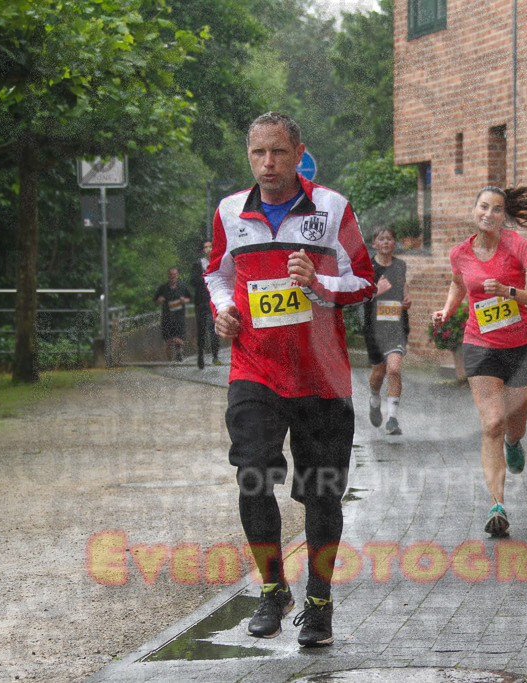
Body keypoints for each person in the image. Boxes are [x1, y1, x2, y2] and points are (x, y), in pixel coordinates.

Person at [205, 112, 376, 647]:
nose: (268, 164)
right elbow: (217, 274)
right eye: (258, 153)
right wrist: (224, 310)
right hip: (255, 369)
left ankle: (319, 603)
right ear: (248, 155)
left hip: (321, 376)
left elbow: (365, 280)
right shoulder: (230, 211)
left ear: (299, 154)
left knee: (322, 493)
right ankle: (273, 589)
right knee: (253, 475)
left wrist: (319, 281)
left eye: (278, 152)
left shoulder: (331, 208)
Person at [431, 185, 527, 538]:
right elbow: (459, 284)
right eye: (483, 207)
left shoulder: (519, 246)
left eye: (497, 209)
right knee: (493, 423)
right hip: (479, 345)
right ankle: (497, 505)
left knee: (514, 427)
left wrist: (509, 292)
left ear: (504, 215)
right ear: (475, 210)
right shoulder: (460, 253)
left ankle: (514, 444)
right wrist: (447, 309)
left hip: (520, 347)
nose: (489, 214)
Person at [363, 226, 412, 435]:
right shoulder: (368, 267)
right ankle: (374, 398)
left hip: (397, 326)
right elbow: (360, 295)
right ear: (374, 243)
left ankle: (392, 418)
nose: (385, 242)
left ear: (394, 243)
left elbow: (403, 286)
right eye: (381, 239)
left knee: (394, 369)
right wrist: (376, 291)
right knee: (379, 372)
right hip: (374, 328)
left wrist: (407, 299)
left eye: (389, 239)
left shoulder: (400, 265)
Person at [190, 239, 220, 369]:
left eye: (210, 246)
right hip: (201, 302)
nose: (208, 249)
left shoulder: (216, 262)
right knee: (201, 329)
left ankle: (215, 355)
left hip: (214, 301)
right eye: (205, 247)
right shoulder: (198, 264)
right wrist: (205, 277)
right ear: (202, 250)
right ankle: (200, 355)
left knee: (214, 328)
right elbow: (193, 281)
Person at [154, 267, 190, 362]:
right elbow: (155, 301)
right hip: (167, 318)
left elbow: (190, 298)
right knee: (168, 341)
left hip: (179, 317)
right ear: (168, 276)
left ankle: (178, 352)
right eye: (171, 274)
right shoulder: (163, 288)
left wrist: (184, 300)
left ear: (177, 275)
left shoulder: (182, 287)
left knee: (179, 340)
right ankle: (170, 362)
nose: (173, 276)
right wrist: (159, 300)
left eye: (174, 274)